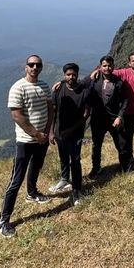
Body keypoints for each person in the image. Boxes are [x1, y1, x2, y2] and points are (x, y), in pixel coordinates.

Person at [0, 55, 53, 238]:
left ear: (41, 67)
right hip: (25, 141)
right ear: (26, 67)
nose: (34, 67)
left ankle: (32, 193)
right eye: (31, 65)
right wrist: (36, 134)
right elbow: (16, 115)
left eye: (38, 65)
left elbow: (50, 109)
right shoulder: (18, 87)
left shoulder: (44, 86)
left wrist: (46, 132)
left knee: (36, 167)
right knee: (16, 180)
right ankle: (3, 220)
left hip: (42, 139)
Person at [50, 63, 91, 205]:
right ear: (64, 76)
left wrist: (73, 129)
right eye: (68, 75)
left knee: (75, 160)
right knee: (63, 157)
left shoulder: (84, 91)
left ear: (77, 75)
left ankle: (77, 189)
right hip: (60, 132)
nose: (71, 77)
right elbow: (53, 112)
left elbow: (86, 114)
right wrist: (51, 132)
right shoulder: (59, 89)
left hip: (76, 133)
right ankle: (64, 179)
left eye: (74, 74)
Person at [86, 56, 129, 178]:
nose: (107, 68)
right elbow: (78, 84)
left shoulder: (119, 82)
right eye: (104, 66)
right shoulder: (94, 80)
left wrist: (120, 116)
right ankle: (96, 168)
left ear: (113, 67)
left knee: (120, 143)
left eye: (109, 65)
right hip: (97, 119)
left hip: (114, 118)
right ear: (100, 67)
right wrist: (62, 82)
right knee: (96, 145)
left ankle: (124, 165)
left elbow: (125, 100)